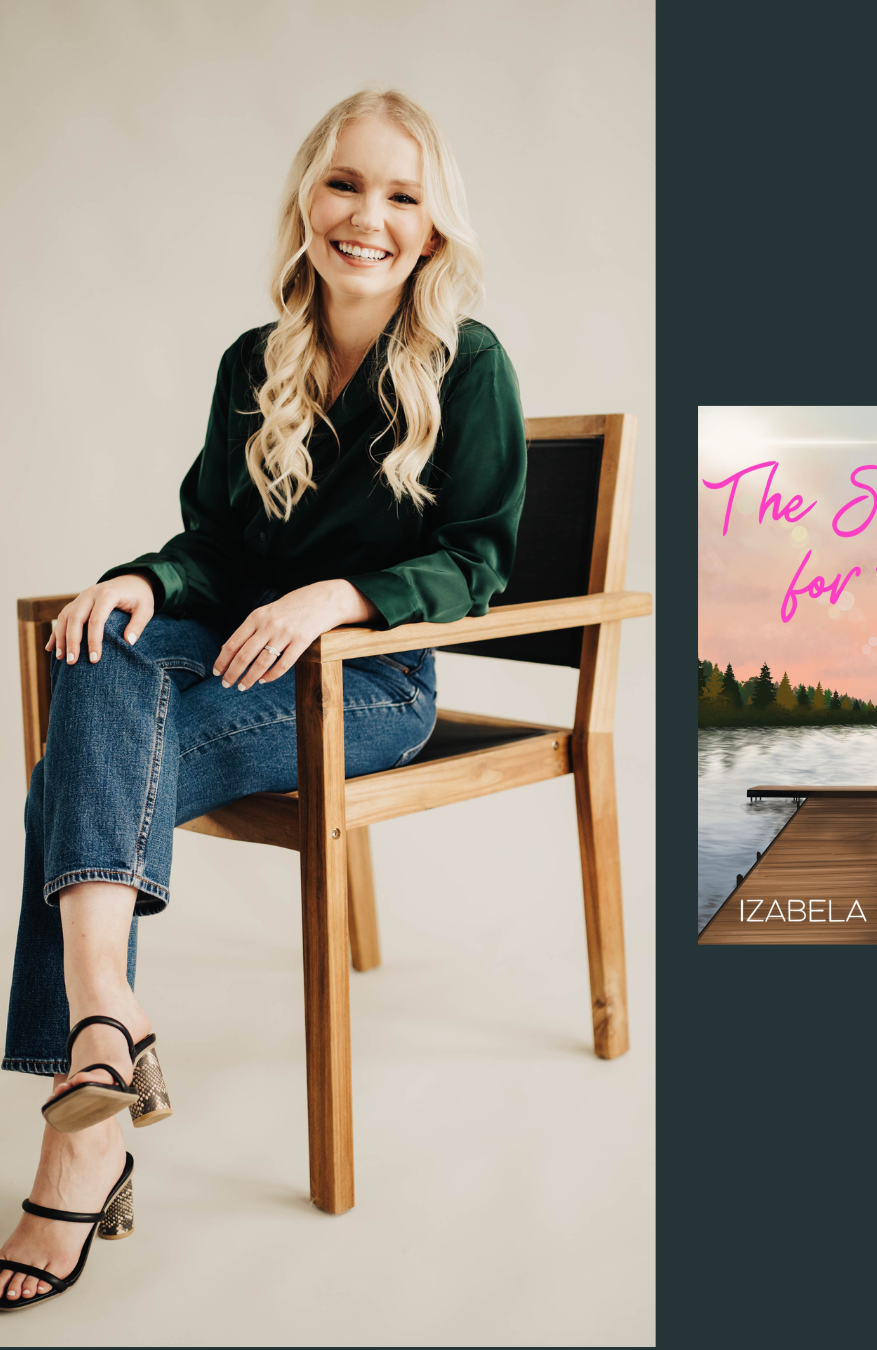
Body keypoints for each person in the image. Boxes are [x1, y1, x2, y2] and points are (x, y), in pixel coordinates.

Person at [0, 87, 526, 1311]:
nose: (368, 216)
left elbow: (482, 559)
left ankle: (86, 1120)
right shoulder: (258, 360)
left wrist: (336, 596)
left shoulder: (468, 361)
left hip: (365, 687)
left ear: (435, 227)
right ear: (309, 197)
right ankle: (104, 1028)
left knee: (76, 780)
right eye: (346, 184)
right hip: (233, 656)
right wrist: (142, 579)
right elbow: (215, 544)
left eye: (402, 195)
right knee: (95, 648)